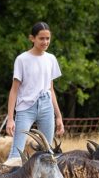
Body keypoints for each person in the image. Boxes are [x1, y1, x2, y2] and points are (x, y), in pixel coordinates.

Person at [6, 21, 64, 159]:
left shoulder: (51, 59)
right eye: (41, 38)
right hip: (25, 108)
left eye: (47, 38)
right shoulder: (22, 59)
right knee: (17, 152)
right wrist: (10, 118)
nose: (45, 42)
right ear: (32, 38)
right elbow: (14, 90)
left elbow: (51, 89)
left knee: (47, 152)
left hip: (46, 106)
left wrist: (59, 116)